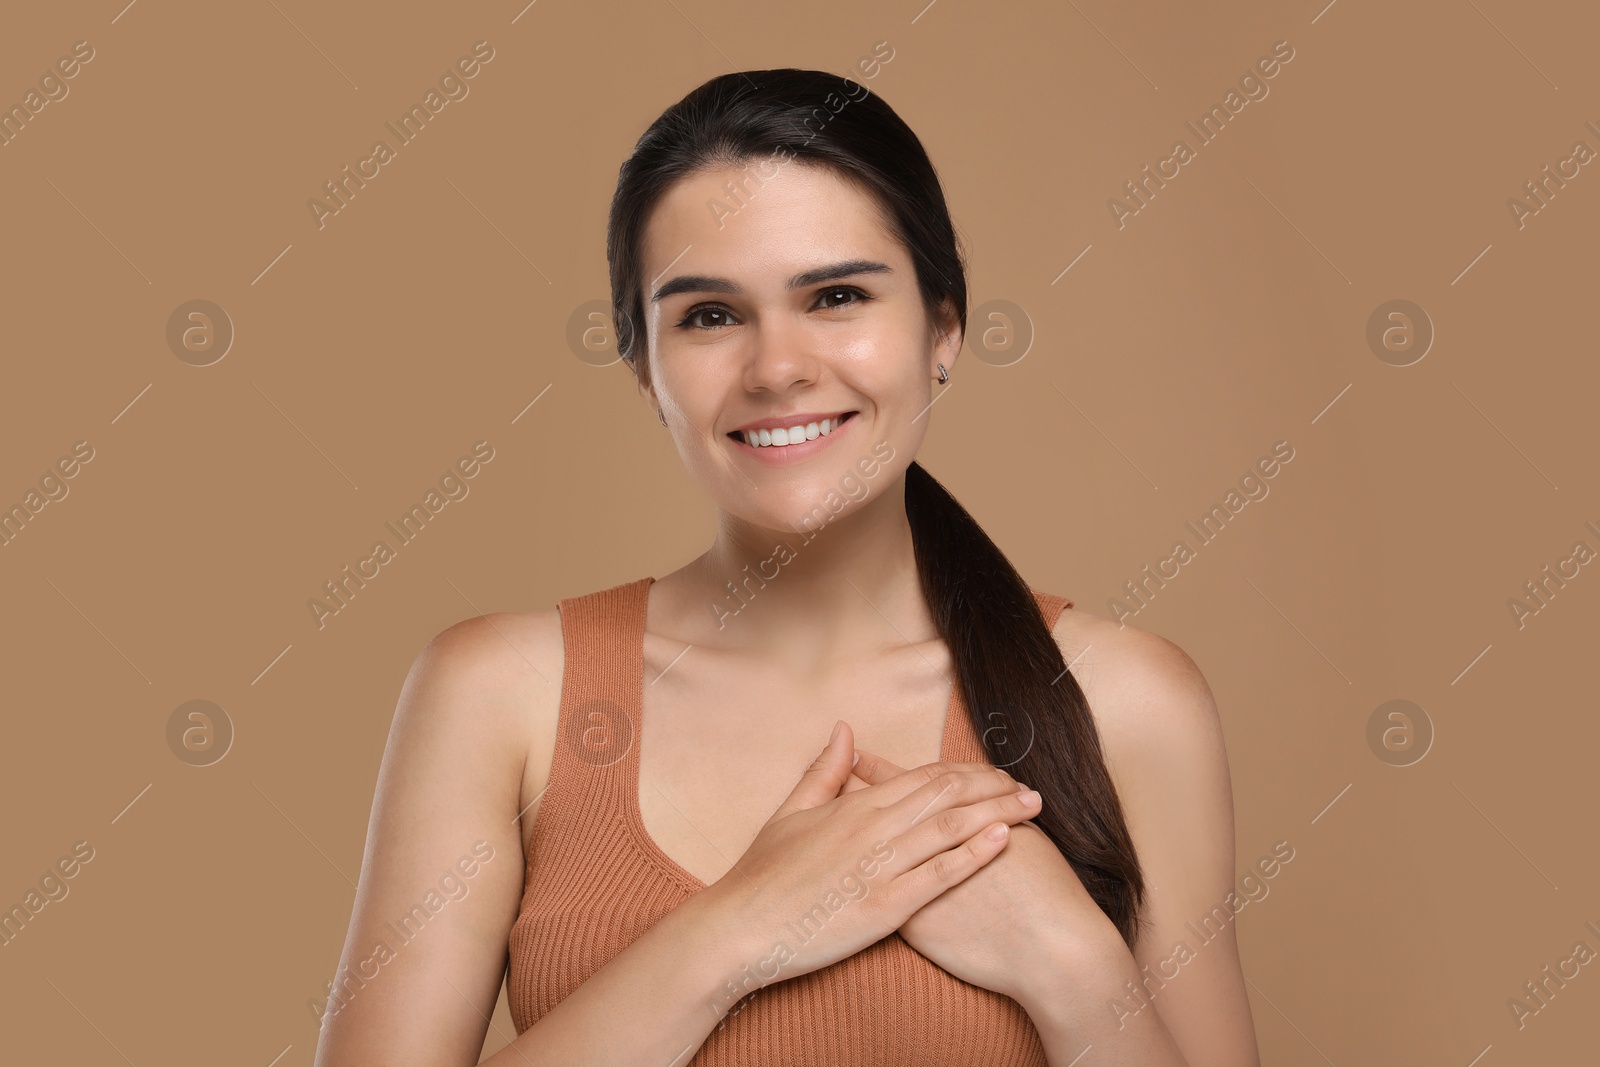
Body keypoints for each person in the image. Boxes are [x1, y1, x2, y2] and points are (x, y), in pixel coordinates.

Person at [313, 68, 1258, 1067]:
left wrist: (1073, 965)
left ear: (943, 328)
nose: (776, 367)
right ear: (644, 366)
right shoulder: (497, 692)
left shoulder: (1125, 701)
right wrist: (740, 927)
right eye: (710, 315)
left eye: (836, 295)